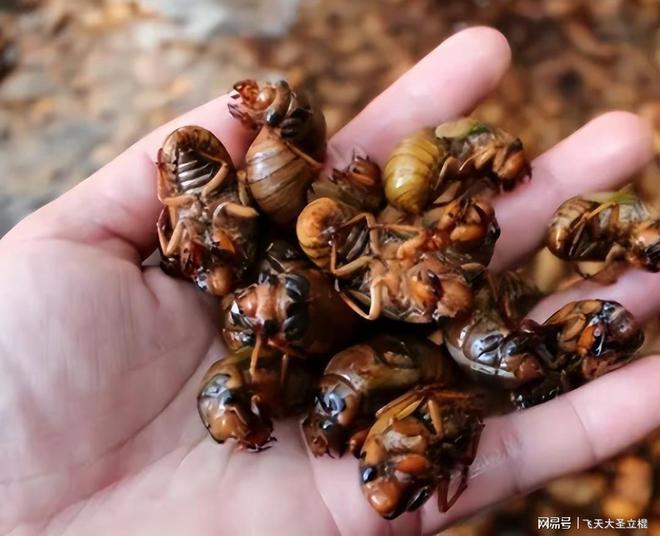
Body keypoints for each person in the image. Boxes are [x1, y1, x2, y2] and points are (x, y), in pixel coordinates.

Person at [1, 26, 658, 535]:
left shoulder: (347, 314)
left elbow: (353, 303)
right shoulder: (319, 321)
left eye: (376, 472)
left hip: (363, 272)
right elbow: (346, 305)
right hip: (358, 272)